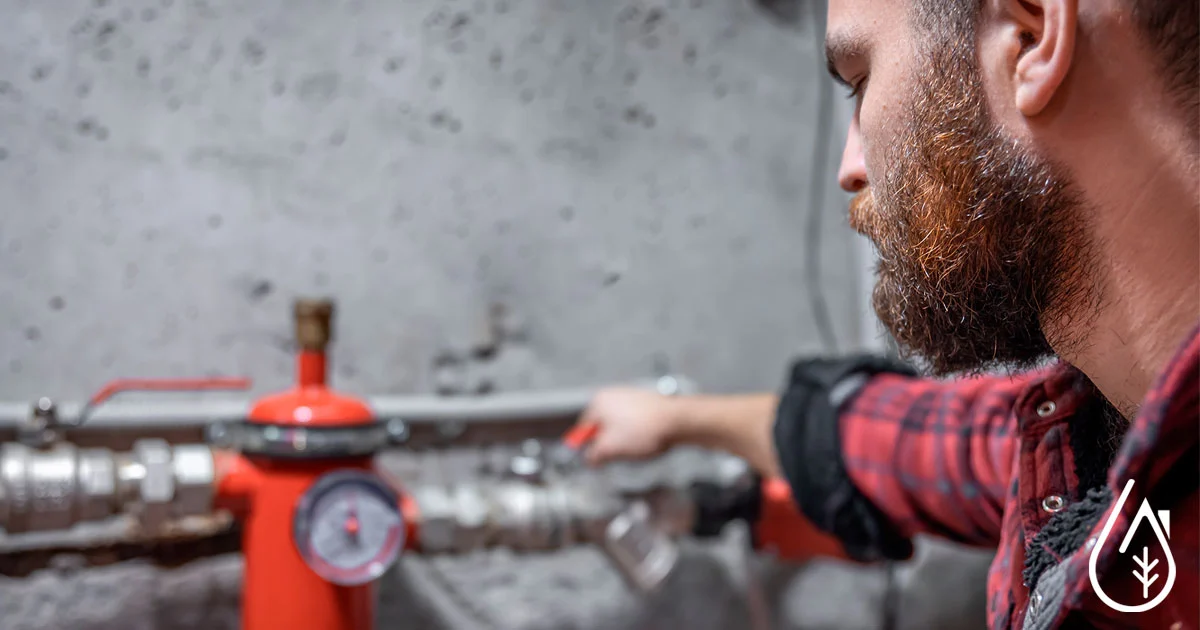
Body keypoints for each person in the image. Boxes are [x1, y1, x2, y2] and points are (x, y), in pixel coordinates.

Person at [576, 1, 1198, 629]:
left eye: (861, 80)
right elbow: (907, 442)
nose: (850, 170)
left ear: (1029, 37)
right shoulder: (1087, 433)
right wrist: (678, 420)